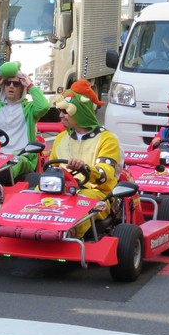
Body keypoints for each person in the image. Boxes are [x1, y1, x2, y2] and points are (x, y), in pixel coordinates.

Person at [51, 79, 122, 238]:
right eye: (60, 111)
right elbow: (52, 169)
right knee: (34, 196)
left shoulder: (107, 139)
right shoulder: (61, 138)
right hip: (62, 190)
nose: (61, 115)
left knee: (82, 202)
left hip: (96, 192)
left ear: (81, 111)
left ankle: (69, 233)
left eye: (65, 111)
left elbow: (105, 175)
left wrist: (85, 168)